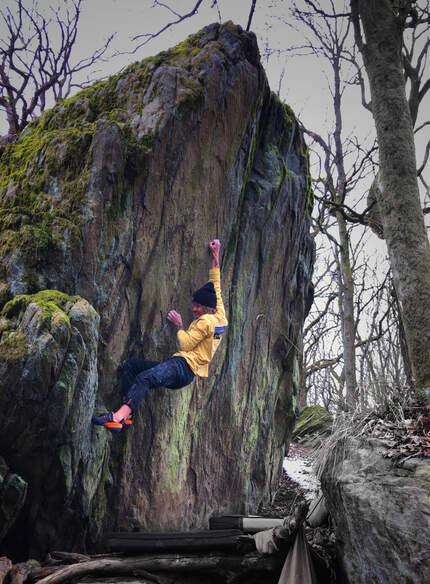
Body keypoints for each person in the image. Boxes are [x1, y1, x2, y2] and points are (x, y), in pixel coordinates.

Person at [92, 239, 228, 432]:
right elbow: (216, 285)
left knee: (145, 379)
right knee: (133, 367)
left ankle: (117, 418)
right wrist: (216, 255)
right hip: (184, 371)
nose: (194, 308)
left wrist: (179, 325)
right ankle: (127, 415)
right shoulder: (220, 316)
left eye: (197, 306)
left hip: (183, 366)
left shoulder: (206, 322)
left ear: (206, 307)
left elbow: (186, 344)